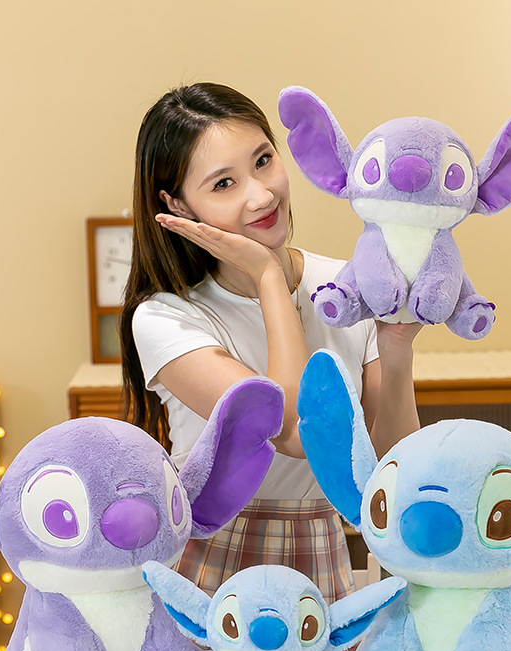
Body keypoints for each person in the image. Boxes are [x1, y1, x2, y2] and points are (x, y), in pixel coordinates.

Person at [120, 82, 420, 609]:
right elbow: (290, 427)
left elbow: (392, 465)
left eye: (263, 160)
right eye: (224, 183)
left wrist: (396, 349)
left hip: (321, 551)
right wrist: (269, 278)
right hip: (210, 557)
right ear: (177, 205)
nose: (261, 195)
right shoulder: (167, 317)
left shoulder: (348, 288)